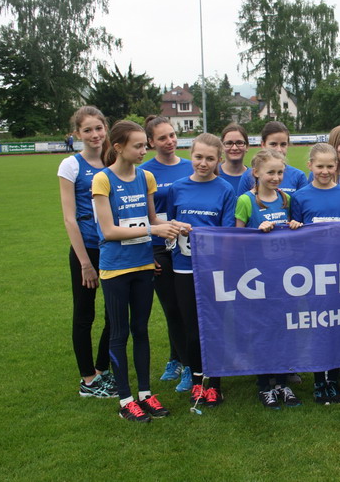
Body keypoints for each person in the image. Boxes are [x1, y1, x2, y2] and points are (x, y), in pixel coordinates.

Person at [92, 120, 180, 422]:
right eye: (138, 146)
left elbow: (153, 219)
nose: (144, 150)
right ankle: (125, 399)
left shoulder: (146, 177)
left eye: (145, 145)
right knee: (119, 333)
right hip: (116, 268)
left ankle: (145, 393)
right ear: (118, 147)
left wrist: (174, 226)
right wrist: (154, 229)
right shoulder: (102, 180)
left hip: (144, 265)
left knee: (141, 330)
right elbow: (109, 231)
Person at [167, 133, 236, 409]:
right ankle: (197, 380)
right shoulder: (177, 188)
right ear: (191, 155)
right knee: (192, 328)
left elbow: (227, 232)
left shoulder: (225, 190)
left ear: (219, 159)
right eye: (198, 157)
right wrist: (177, 230)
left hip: (213, 268)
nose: (203, 163)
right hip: (183, 268)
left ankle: (215, 384)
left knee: (214, 326)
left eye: (209, 158)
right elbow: (169, 224)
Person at [235, 149, 304, 409]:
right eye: (270, 172)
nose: (275, 177)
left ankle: (282, 382)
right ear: (256, 173)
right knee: (262, 330)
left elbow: (291, 235)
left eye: (279, 172)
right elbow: (236, 239)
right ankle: (264, 385)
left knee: (284, 328)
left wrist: (295, 227)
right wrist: (257, 232)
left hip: (283, 275)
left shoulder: (286, 199)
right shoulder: (245, 200)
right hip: (257, 276)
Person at [291, 143, 340, 405]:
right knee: (317, 325)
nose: (325, 171)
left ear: (337, 166)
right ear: (310, 166)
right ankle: (319, 380)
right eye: (320, 166)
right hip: (312, 271)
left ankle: (334, 379)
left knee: (338, 324)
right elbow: (295, 234)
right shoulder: (300, 197)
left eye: (330, 166)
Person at [58, 106, 116, 398]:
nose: (95, 134)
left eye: (99, 128)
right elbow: (70, 218)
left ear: (106, 128)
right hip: (87, 250)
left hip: (114, 247)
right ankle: (88, 380)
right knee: (84, 314)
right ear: (77, 134)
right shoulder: (71, 165)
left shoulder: (113, 160)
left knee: (114, 314)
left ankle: (102, 370)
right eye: (88, 130)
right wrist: (84, 263)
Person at [138, 116, 192, 392]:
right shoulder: (143, 172)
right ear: (150, 142)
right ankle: (180, 361)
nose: (170, 141)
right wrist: (147, 252)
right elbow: (141, 216)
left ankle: (185, 362)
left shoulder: (191, 166)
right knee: (171, 307)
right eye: (162, 138)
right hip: (158, 246)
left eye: (172, 135)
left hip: (186, 245)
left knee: (186, 307)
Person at [235, 121, 308, 195]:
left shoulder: (299, 176)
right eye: (273, 144)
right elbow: (243, 200)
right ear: (263, 145)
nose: (279, 149)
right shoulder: (249, 176)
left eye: (283, 144)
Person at [219, 123, 249, 192]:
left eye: (239, 143)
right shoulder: (211, 174)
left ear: (247, 146)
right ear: (222, 147)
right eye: (229, 143)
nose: (234, 148)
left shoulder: (254, 177)